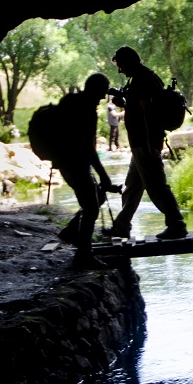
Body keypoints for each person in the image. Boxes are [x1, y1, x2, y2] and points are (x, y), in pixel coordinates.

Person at [101, 46, 189, 241]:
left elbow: (149, 114)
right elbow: (141, 109)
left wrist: (152, 143)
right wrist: (125, 104)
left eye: (121, 65)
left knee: (157, 186)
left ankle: (177, 224)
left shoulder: (142, 80)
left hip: (145, 143)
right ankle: (121, 226)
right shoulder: (144, 78)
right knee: (132, 186)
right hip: (140, 143)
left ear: (129, 61)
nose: (120, 70)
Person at [52, 73, 122, 266]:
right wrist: (105, 177)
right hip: (77, 164)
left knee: (97, 198)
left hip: (64, 161)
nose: (104, 96)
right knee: (91, 208)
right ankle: (83, 255)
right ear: (96, 88)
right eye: (103, 90)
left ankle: (70, 233)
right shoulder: (87, 110)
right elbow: (89, 149)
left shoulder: (71, 100)